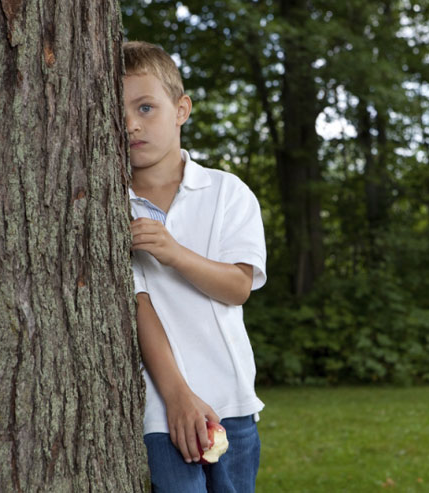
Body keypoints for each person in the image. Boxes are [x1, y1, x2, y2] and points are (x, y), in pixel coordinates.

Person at [124, 40, 266, 492]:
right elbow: (139, 304)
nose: (130, 124)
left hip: (232, 401)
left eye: (146, 108)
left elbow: (238, 286)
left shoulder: (226, 192)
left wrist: (173, 251)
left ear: (181, 109)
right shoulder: (112, 208)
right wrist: (177, 396)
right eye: (118, 111)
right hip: (162, 410)